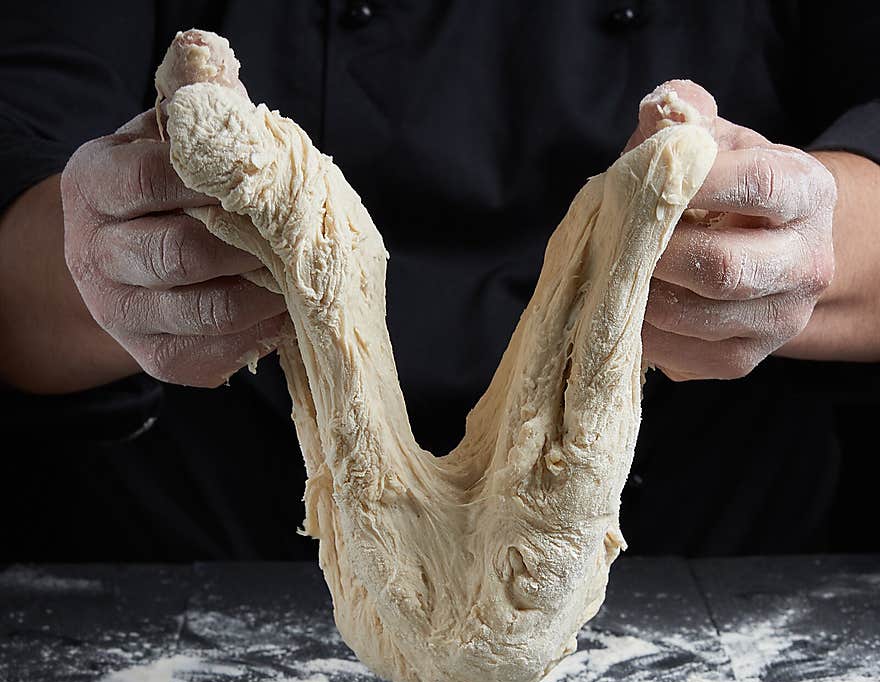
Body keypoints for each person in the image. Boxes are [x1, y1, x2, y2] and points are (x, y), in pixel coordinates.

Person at [1, 1, 878, 562]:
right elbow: (21, 173)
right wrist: (110, 256)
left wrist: (792, 235)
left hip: (709, 584)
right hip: (202, 582)